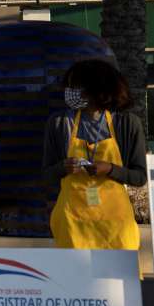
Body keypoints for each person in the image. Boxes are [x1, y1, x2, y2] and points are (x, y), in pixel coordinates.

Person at [44, 59, 146, 250]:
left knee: (117, 278)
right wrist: (62, 167)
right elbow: (46, 175)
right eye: (69, 86)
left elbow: (139, 177)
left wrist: (110, 169)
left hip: (116, 226)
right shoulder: (59, 124)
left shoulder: (127, 123)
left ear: (98, 88)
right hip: (72, 224)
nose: (70, 92)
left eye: (76, 86)